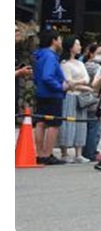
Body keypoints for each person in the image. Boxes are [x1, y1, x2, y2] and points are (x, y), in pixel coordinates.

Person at [33, 30, 68, 165]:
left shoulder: (39, 55)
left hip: (41, 92)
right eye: (59, 39)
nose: (61, 42)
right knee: (54, 124)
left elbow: (38, 77)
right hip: (53, 94)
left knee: (40, 122)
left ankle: (40, 153)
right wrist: (60, 86)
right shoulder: (50, 56)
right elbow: (47, 76)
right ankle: (47, 154)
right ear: (53, 41)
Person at [57, 36, 93, 164]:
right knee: (67, 123)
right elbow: (68, 82)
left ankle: (79, 153)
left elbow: (86, 79)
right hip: (70, 96)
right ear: (71, 47)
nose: (80, 47)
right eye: (77, 44)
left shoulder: (80, 63)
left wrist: (78, 83)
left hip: (80, 96)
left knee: (81, 124)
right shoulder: (64, 64)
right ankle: (64, 152)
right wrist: (82, 84)